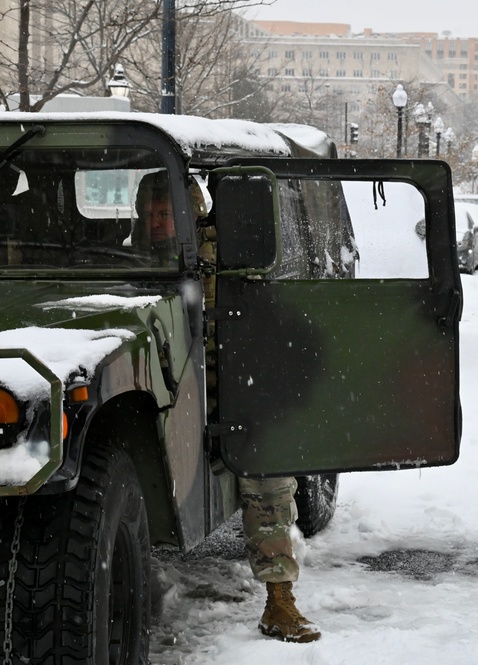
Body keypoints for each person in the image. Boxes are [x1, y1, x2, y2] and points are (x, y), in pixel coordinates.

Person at [134, 171, 322, 644]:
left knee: (268, 482)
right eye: (152, 215)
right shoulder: (124, 258)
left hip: (230, 390)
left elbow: (264, 325)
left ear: (190, 210)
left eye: (167, 213)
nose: (159, 224)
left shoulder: (230, 258)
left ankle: (280, 601)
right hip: (166, 392)